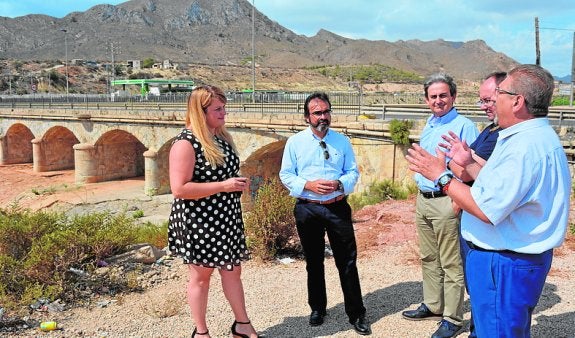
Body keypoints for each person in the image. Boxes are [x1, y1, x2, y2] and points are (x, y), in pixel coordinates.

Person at [405, 64, 571, 338]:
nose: (493, 101)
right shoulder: (533, 137)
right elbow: (502, 189)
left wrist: (441, 176)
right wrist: (470, 164)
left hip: (504, 263)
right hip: (512, 261)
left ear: (517, 101)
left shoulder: (523, 147)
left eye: (499, 94)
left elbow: (485, 208)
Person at [167, 85, 259, 338]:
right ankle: (201, 332)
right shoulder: (185, 144)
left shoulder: (221, 137)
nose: (224, 113)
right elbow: (179, 189)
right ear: (201, 111)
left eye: (224, 107)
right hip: (199, 221)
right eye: (218, 109)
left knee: (232, 270)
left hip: (226, 216)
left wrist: (236, 183)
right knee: (201, 276)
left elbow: (223, 175)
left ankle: (242, 324)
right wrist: (224, 185)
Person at [279, 92, 370, 335]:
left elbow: (352, 172)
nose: (323, 117)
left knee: (347, 262)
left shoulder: (342, 141)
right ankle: (318, 308)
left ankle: (356, 313)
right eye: (317, 113)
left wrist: (340, 184)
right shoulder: (295, 143)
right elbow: (286, 174)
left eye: (326, 111)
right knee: (314, 261)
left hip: (337, 206)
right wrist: (308, 185)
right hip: (307, 208)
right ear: (307, 117)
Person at [401, 73, 478, 338]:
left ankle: (452, 318)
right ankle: (434, 305)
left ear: (453, 97)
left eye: (443, 95)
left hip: (447, 200)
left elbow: (471, 167)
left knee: (451, 262)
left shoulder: (464, 126)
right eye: (433, 96)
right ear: (426, 100)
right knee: (429, 257)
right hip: (425, 200)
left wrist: (460, 199)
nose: (438, 100)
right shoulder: (430, 124)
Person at [447, 71, 505, 338]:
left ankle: (479, 330)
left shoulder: (501, 136)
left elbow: (463, 170)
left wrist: (444, 166)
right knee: (476, 283)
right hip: (471, 213)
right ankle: (477, 329)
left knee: (484, 286)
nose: (483, 107)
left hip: (483, 218)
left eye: (487, 100)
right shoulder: (491, 129)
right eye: (481, 101)